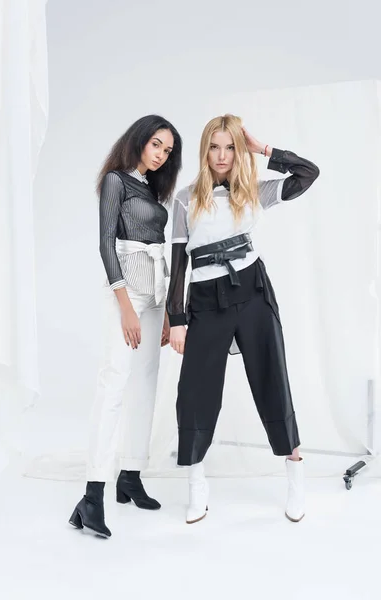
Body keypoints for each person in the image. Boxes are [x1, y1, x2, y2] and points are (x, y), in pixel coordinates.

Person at [167, 114, 319, 525]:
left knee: (272, 379)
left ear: (238, 150)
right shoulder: (184, 198)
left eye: (229, 146)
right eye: (214, 147)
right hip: (204, 300)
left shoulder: (253, 191)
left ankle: (295, 475)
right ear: (205, 150)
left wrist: (263, 148)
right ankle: (197, 483)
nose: (221, 155)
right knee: (195, 392)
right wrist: (176, 319)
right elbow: (178, 264)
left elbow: (308, 173)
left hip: (252, 292)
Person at [69, 115, 182, 538]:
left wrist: (168, 311)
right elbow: (105, 243)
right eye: (156, 144)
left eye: (168, 150)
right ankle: (92, 493)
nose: (161, 154)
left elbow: (159, 251)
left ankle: (130, 474)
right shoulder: (116, 181)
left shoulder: (154, 191)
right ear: (139, 141)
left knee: (147, 385)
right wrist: (125, 308)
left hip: (154, 295)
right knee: (113, 383)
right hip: (126, 295)